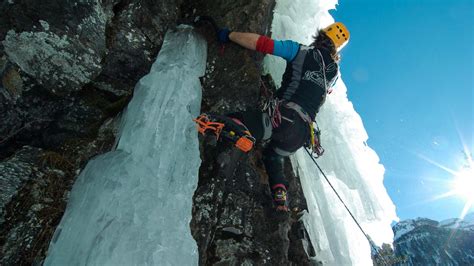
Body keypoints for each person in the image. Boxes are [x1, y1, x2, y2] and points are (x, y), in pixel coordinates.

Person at [195, 22, 350, 212]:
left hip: (284, 119)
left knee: (240, 120)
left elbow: (262, 44)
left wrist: (228, 35)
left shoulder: (301, 51)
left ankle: (235, 132)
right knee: (273, 156)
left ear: (322, 34)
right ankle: (280, 199)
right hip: (301, 135)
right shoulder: (332, 74)